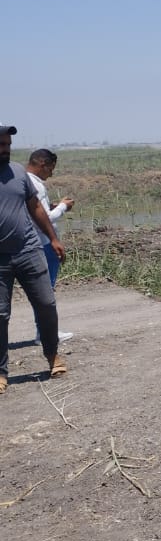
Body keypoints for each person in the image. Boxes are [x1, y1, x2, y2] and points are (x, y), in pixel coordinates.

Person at [0, 123, 67, 394]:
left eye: (7, 145)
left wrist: (52, 238)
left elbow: (35, 207)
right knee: (0, 315)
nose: (5, 150)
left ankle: (53, 357)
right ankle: (1, 372)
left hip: (29, 250)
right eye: (1, 146)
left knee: (46, 304)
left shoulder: (17, 171)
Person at [25, 148, 74, 342]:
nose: (51, 174)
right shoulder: (36, 186)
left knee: (42, 291)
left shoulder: (23, 181)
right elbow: (44, 218)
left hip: (33, 243)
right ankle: (46, 334)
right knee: (46, 290)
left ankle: (44, 332)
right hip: (44, 243)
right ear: (42, 164)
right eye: (51, 169)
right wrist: (63, 207)